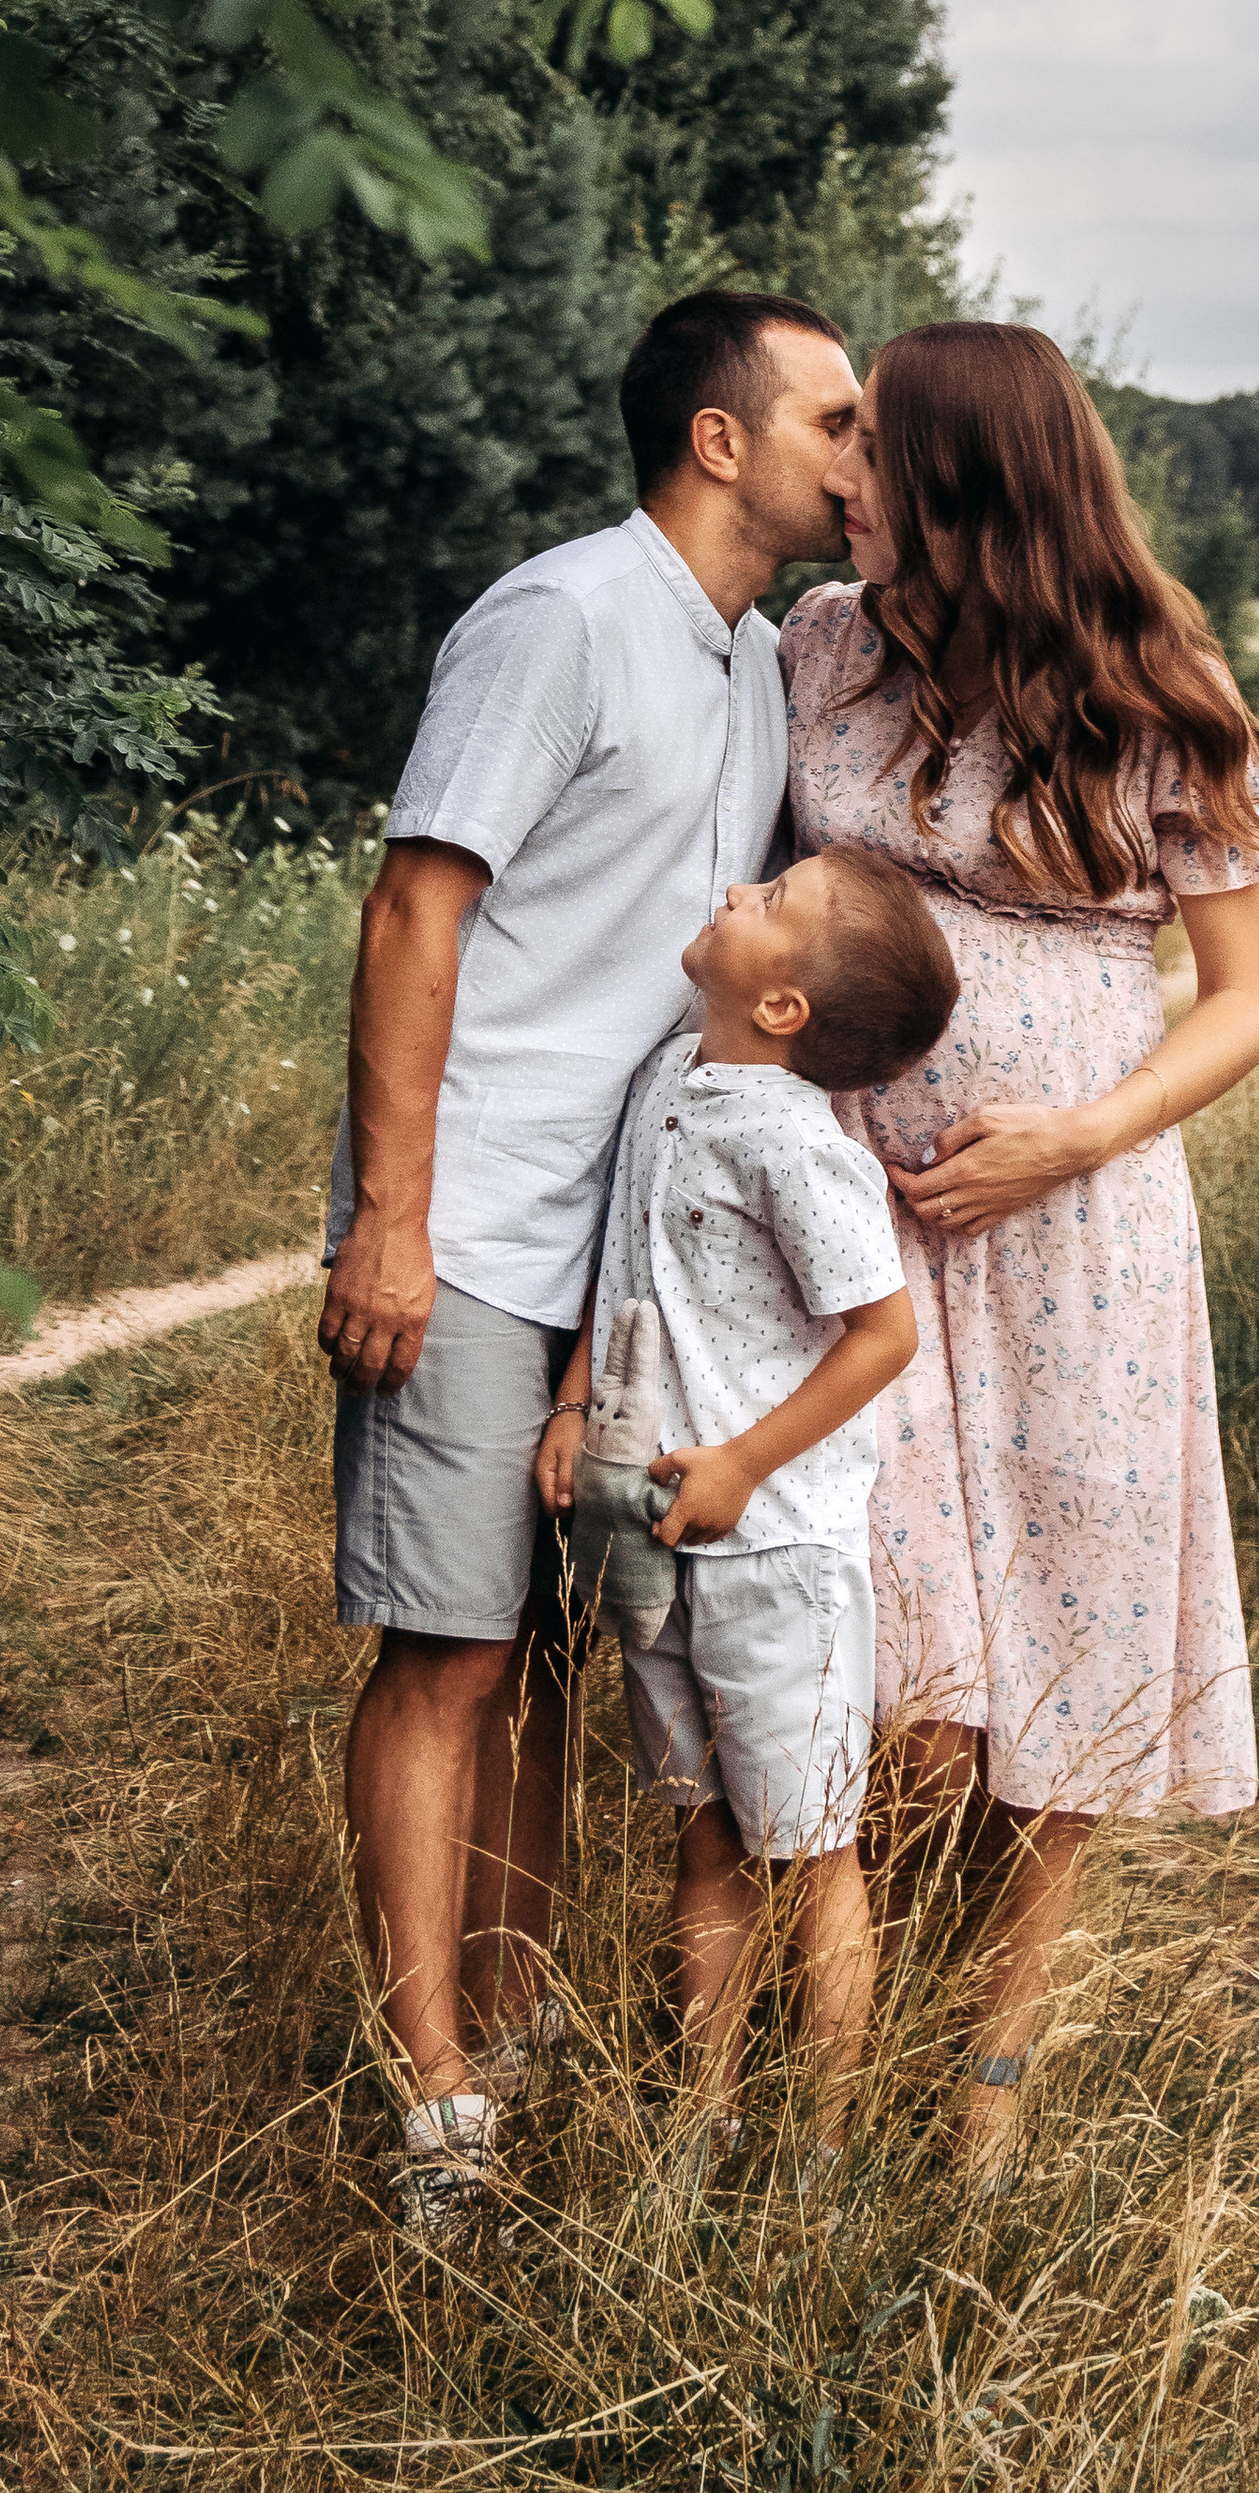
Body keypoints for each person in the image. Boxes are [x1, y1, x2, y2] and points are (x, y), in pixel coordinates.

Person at [320, 287, 863, 2245]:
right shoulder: (558, 616)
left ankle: (522, 2030)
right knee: (448, 1648)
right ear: (719, 440)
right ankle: (433, 2101)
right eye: (833, 418)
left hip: (633, 1263)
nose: (855, 453)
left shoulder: (747, 665)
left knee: (555, 1654)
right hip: (467, 1220)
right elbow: (414, 903)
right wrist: (391, 1214)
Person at [781, 322, 1259, 2180]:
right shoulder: (827, 650)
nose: (843, 480)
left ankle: (988, 2077)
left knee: (1067, 1633)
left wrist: (1076, 1135)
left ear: (964, 481)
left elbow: (1246, 1001)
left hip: (1083, 1237)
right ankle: (857, 2017)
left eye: (873, 451)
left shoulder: (1156, 686)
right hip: (854, 1215)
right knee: (899, 1663)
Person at [537, 847, 955, 2182]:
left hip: (773, 1551)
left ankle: (820, 2152)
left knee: (813, 1852)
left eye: (773, 902)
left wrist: (742, 1462)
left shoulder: (795, 1145)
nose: (738, 891)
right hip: (648, 1532)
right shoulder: (669, 1078)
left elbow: (881, 1336)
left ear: (784, 1010)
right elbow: (624, 1272)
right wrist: (571, 1406)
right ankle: (697, 2124)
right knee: (703, 1833)